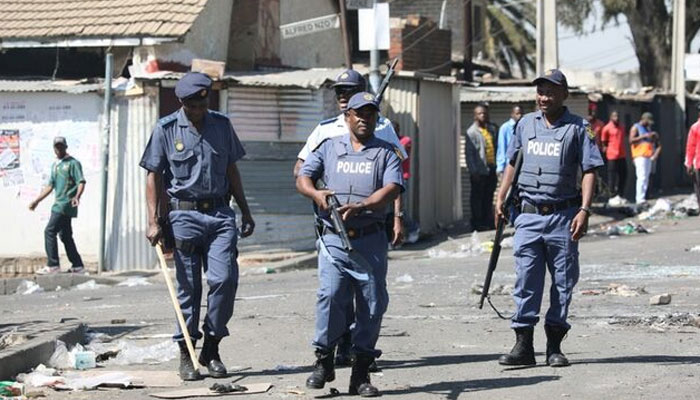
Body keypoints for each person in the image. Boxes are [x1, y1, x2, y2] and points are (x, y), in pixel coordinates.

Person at [139, 72, 255, 381]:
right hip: (184, 217)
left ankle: (212, 346)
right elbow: (153, 175)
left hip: (219, 215)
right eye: (193, 106)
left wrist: (245, 210)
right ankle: (187, 353)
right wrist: (154, 220)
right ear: (182, 103)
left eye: (203, 105)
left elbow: (231, 169)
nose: (199, 111)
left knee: (225, 280)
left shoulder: (222, 125)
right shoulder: (165, 129)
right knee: (189, 289)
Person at [294, 69, 406, 368]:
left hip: (370, 230)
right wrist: (318, 193)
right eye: (340, 92)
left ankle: (361, 359)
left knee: (370, 299)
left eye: (350, 90)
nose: (343, 96)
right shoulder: (326, 134)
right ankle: (329, 353)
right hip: (333, 229)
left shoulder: (383, 132)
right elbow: (301, 171)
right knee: (332, 295)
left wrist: (397, 216)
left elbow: (395, 182)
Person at [495, 69, 603, 368]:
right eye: (540, 91)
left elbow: (590, 170)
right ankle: (523, 347)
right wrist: (500, 196)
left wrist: (584, 210)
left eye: (551, 91)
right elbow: (512, 163)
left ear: (564, 94)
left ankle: (554, 346)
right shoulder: (525, 125)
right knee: (526, 281)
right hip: (528, 216)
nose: (544, 97)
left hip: (563, 217)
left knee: (563, 283)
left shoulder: (580, 128)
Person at [29, 137, 86, 274]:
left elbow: (81, 181)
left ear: (66, 147)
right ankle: (78, 265)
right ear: (54, 148)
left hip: (66, 203)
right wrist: (37, 200)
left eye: (61, 146)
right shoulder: (55, 165)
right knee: (65, 235)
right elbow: (50, 186)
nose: (59, 149)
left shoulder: (73, 163)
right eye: (57, 147)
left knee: (49, 231)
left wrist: (77, 196)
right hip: (58, 202)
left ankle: (53, 264)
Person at [465, 103, 498, 231]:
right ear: (475, 116)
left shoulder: (490, 129)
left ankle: (487, 220)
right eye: (480, 113)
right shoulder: (472, 132)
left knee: (488, 196)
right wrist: (474, 171)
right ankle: (477, 223)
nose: (483, 115)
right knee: (477, 198)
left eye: (485, 113)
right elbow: (469, 154)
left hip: (491, 168)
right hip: (479, 171)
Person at [629, 112, 661, 204]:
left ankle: (643, 197)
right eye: (648, 121)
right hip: (639, 156)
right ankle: (639, 198)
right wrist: (645, 136)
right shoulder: (636, 127)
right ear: (644, 119)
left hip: (647, 156)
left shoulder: (647, 128)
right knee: (641, 177)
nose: (649, 123)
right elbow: (631, 140)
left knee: (646, 177)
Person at [601, 111, 627, 201]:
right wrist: (605, 149)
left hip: (622, 155)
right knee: (612, 177)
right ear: (611, 117)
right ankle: (611, 196)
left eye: (618, 116)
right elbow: (604, 141)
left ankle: (620, 194)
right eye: (615, 116)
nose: (617, 118)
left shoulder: (622, 127)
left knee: (623, 175)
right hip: (612, 155)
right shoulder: (607, 128)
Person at [496, 106, 523, 176]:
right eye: (517, 114)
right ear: (512, 114)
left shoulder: (523, 126)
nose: (519, 116)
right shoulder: (505, 128)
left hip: (520, 166)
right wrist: (500, 168)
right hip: (508, 166)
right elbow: (501, 149)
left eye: (521, 114)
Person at [685, 103, 700, 207]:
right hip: (699, 163)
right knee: (698, 187)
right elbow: (691, 146)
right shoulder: (695, 127)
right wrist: (689, 163)